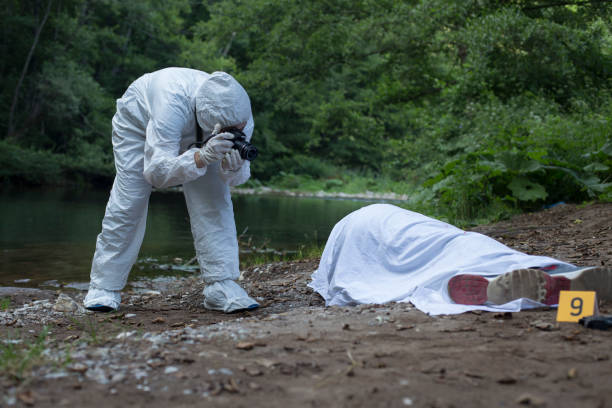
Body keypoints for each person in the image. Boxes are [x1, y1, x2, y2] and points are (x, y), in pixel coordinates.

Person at [84, 67, 259, 313]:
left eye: (238, 128)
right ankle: (104, 286)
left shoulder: (240, 112)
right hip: (140, 123)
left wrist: (233, 167)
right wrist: (200, 157)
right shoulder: (171, 99)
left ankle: (221, 284)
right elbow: (156, 173)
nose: (238, 130)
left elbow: (234, 180)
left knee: (214, 200)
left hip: (200, 132)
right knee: (130, 200)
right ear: (214, 124)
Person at [309, 203, 611, 315]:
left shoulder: (343, 236)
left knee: (428, 273)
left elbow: (334, 284)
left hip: (373, 234)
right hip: (426, 230)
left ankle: (491, 287)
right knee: (463, 246)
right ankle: (568, 280)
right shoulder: (377, 215)